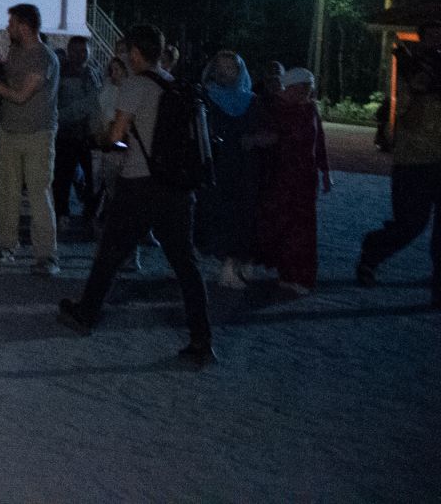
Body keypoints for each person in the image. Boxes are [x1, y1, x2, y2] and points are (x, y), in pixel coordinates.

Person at [59, 22, 215, 367]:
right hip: (176, 187)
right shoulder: (174, 85)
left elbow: (117, 135)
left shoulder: (134, 85)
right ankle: (202, 339)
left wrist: (103, 140)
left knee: (110, 253)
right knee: (186, 264)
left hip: (139, 184)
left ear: (135, 53)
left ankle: (85, 314)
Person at [0, 4, 61, 275]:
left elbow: (21, 95)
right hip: (10, 132)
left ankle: (47, 256)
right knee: (7, 193)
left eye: (11, 24)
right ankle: (6, 246)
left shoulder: (43, 57)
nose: (7, 28)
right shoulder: (17, 51)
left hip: (37, 135)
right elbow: (7, 78)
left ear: (24, 26)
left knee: (38, 196)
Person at [358, 22, 441, 307]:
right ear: (423, 34)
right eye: (434, 30)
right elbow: (396, 108)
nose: (438, 35)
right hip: (414, 158)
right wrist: (415, 87)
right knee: (410, 224)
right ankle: (372, 253)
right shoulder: (406, 63)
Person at [254, 66, 332, 295]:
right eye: (301, 89)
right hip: (280, 175)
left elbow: (319, 142)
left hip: (304, 178)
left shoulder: (309, 110)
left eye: (308, 90)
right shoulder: (274, 109)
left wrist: (325, 171)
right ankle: (286, 271)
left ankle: (301, 275)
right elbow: (267, 139)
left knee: (303, 227)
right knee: (284, 225)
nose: (305, 94)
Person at [193, 50, 259, 288]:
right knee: (211, 215)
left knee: (239, 215)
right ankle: (212, 261)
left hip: (242, 168)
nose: (223, 72)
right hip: (213, 166)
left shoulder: (251, 101)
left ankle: (233, 265)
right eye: (219, 67)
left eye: (230, 68)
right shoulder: (204, 97)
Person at [52, 36, 102, 232]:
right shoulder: (60, 73)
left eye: (84, 51)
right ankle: (62, 213)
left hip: (88, 135)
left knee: (92, 178)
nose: (80, 55)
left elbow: (95, 104)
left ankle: (89, 215)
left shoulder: (92, 74)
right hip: (65, 134)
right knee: (62, 177)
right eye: (76, 50)